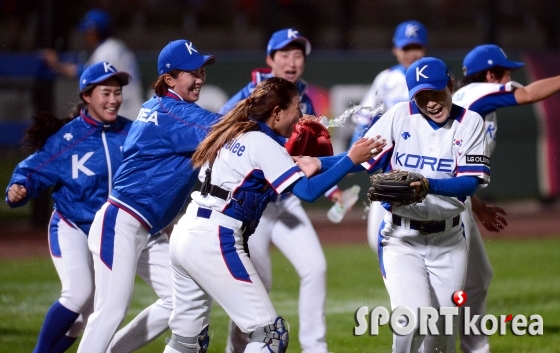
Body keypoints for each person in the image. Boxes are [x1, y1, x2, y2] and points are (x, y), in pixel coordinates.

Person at [163, 76, 384, 353]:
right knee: (271, 335)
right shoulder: (261, 143)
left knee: (188, 341)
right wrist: (351, 158)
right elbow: (306, 191)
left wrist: (354, 160)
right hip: (214, 238)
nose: (301, 116)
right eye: (296, 108)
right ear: (277, 111)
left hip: (187, 232)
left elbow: (306, 164)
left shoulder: (233, 131)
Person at [76, 40, 220, 353]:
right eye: (191, 72)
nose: (199, 77)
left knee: (178, 302)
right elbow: (226, 129)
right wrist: (269, 114)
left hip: (146, 230)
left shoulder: (162, 107)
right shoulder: (172, 111)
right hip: (122, 222)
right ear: (169, 78)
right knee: (110, 310)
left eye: (201, 70)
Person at [219, 28, 337, 353]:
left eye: (298, 55)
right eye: (284, 54)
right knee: (258, 286)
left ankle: (315, 348)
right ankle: (237, 348)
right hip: (254, 203)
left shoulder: (302, 98)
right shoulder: (251, 95)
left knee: (316, 268)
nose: (292, 61)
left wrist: (333, 187)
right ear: (270, 59)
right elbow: (217, 128)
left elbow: (306, 157)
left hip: (286, 199)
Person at [361, 57, 490, 352]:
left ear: (451, 85)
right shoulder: (399, 116)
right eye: (421, 96)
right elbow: (358, 158)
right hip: (401, 239)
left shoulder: (470, 122)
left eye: (436, 92)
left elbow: (469, 183)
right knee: (411, 319)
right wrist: (316, 163)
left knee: (441, 339)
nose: (430, 102)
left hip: (450, 242)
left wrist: (430, 185)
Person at [5, 62, 132, 353]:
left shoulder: (130, 132)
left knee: (90, 315)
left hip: (108, 233)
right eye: (105, 92)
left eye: (117, 92)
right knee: (79, 293)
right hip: (71, 226)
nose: (113, 99)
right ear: (87, 96)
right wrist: (18, 188)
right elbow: (31, 171)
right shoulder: (68, 139)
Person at [453, 44, 560, 353]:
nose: (509, 77)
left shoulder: (472, 102)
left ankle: (475, 347)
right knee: (445, 287)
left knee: (477, 276)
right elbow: (528, 94)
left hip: (453, 199)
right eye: (504, 72)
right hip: (440, 207)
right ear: (489, 74)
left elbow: (452, 168)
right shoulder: (478, 93)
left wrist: (478, 206)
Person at [351, 20, 428, 255]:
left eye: (416, 47)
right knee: (379, 239)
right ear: (395, 49)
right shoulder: (385, 79)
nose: (411, 53)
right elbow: (363, 123)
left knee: (428, 232)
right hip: (391, 167)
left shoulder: (434, 76)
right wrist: (352, 159)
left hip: (427, 165)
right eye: (406, 48)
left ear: (425, 48)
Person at [42, 9, 144, 121]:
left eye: (88, 32)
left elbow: (82, 73)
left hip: (123, 113)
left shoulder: (106, 51)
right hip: (130, 109)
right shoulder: (117, 46)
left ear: (96, 32)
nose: (86, 36)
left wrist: (56, 64)